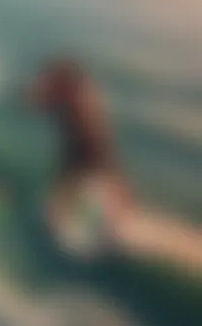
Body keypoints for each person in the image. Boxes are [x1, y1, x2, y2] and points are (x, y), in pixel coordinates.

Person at [28, 58, 132, 236]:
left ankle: (108, 212)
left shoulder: (81, 112)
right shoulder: (80, 103)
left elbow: (92, 153)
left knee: (55, 211)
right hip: (88, 165)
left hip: (89, 166)